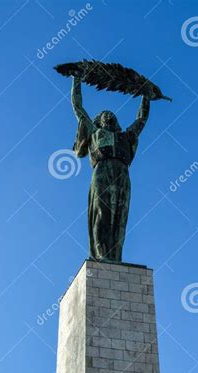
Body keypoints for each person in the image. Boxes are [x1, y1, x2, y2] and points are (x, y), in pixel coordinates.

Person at [71, 75, 150, 262]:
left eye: (111, 114)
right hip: (101, 171)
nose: (108, 114)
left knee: (120, 216)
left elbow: (141, 120)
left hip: (122, 173)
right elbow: (78, 108)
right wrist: (76, 79)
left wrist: (146, 96)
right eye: (104, 114)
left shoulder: (126, 136)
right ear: (98, 121)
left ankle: (115, 256)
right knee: (102, 211)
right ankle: (100, 254)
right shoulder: (94, 132)